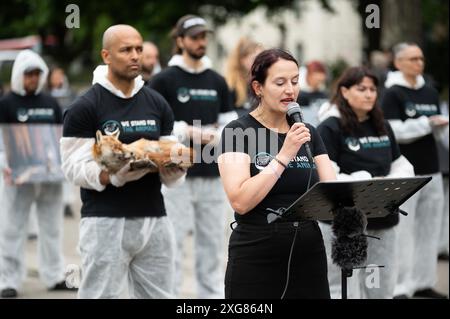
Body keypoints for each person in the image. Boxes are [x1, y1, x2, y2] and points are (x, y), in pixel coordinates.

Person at [61, 24, 184, 298]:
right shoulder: (85, 106)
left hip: (155, 217)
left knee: (162, 295)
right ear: (106, 55)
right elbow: (72, 167)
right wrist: (113, 176)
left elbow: (170, 166)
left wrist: (175, 165)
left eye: (139, 49)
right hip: (104, 219)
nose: (135, 56)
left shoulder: (157, 103)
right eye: (126, 50)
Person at [218, 48, 336, 299]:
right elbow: (240, 200)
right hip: (256, 251)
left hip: (308, 251)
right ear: (258, 87)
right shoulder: (237, 131)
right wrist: (283, 155)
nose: (290, 90)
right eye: (280, 83)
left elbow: (331, 194)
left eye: (294, 81)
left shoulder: (309, 132)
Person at [148, 14, 235, 298]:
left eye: (204, 37)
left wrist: (217, 134)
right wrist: (189, 132)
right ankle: (169, 295)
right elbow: (153, 125)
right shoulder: (164, 80)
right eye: (195, 37)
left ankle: (210, 296)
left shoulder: (217, 81)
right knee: (172, 241)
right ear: (180, 40)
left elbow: (231, 123)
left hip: (213, 172)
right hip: (176, 175)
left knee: (211, 242)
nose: (201, 42)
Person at [317, 66, 414, 299]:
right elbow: (327, 174)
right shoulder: (330, 127)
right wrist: (368, 182)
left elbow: (400, 164)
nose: (369, 94)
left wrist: (390, 185)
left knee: (380, 285)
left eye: (372, 89)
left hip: (383, 217)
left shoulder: (382, 125)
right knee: (342, 287)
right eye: (362, 89)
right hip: (342, 222)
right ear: (345, 91)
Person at [0, 49, 70, 298]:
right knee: (12, 228)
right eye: (28, 74)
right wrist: (4, 163)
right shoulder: (6, 103)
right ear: (19, 75)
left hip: (48, 176)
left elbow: (59, 138)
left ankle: (54, 275)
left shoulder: (50, 102)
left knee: (52, 227)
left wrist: (59, 162)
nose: (32, 79)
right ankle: (8, 280)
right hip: (18, 178)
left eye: (36, 74)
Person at [381, 42, 448, 299]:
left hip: (433, 168)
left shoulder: (430, 92)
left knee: (430, 229)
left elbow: (438, 130)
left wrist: (439, 127)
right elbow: (392, 130)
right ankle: (400, 286)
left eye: (421, 58)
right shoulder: (392, 93)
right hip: (404, 171)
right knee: (404, 231)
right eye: (412, 59)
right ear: (398, 63)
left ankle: (423, 281)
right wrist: (425, 124)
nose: (419, 63)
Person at [48, 66, 78, 218]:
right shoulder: (47, 96)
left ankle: (67, 203)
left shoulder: (70, 94)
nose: (58, 78)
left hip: (65, 136)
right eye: (56, 75)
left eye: (61, 74)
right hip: (49, 137)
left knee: (66, 169)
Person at [224, 37, 263, 117]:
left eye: (262, 58)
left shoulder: (264, 82)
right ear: (242, 59)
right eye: (255, 58)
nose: (260, 62)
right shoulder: (231, 84)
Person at [296, 60, 328, 126]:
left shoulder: (324, 94)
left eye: (320, 80)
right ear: (308, 75)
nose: (318, 81)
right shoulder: (299, 95)